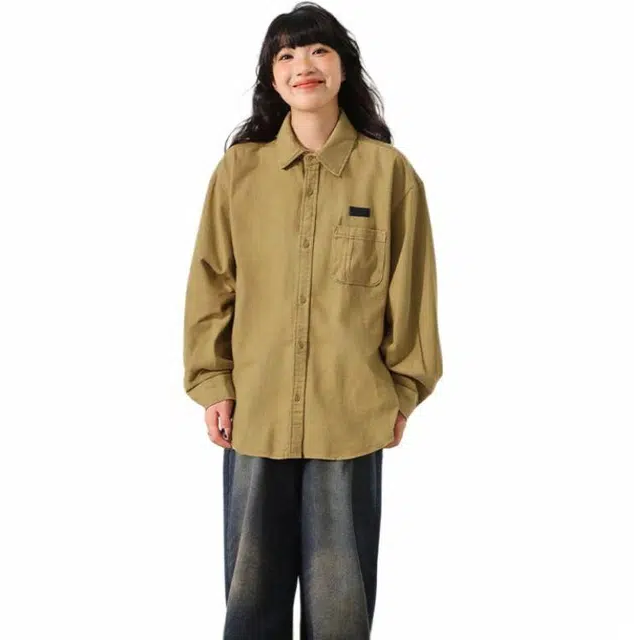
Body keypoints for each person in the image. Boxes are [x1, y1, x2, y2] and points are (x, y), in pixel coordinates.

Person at [183, 2, 443, 637]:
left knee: (340, 608)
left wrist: (403, 390)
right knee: (251, 602)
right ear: (272, 78)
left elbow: (413, 293)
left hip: (350, 416)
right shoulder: (239, 173)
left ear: (344, 68)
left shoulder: (389, 174)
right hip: (256, 414)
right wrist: (213, 383)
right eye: (286, 54)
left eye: (319, 50)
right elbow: (212, 282)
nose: (303, 65)